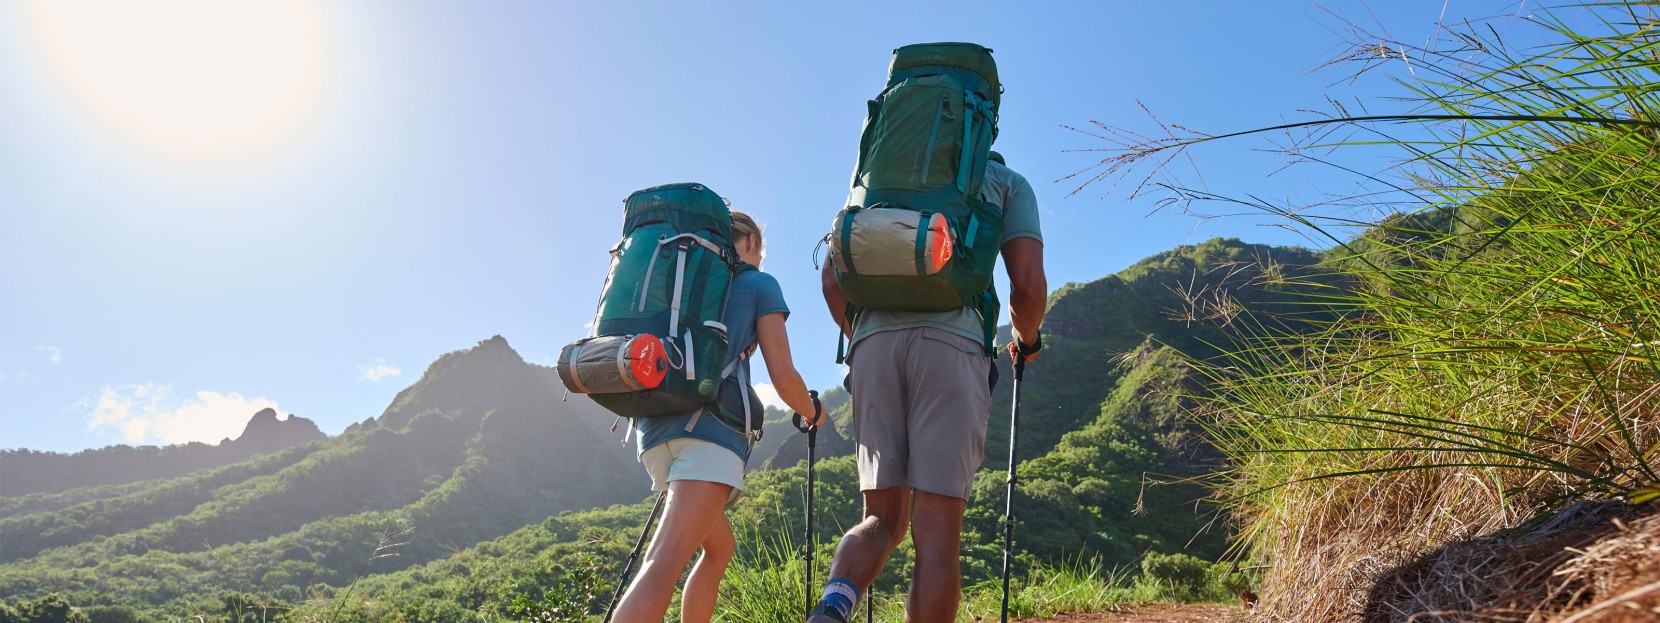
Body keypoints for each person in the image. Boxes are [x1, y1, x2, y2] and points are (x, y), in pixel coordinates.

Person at [813, 155, 1047, 623]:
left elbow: (831, 280)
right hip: (951, 344)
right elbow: (1026, 285)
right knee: (936, 532)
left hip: (872, 346)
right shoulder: (1005, 182)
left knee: (881, 519)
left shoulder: (878, 175)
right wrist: (1027, 340)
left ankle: (831, 610)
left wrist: (864, 339)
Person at [613, 210, 824, 623]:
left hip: (655, 432)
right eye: (760, 250)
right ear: (750, 245)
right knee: (662, 565)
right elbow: (782, 377)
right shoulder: (759, 284)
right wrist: (813, 412)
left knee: (718, 548)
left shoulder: (684, 287)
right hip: (708, 437)